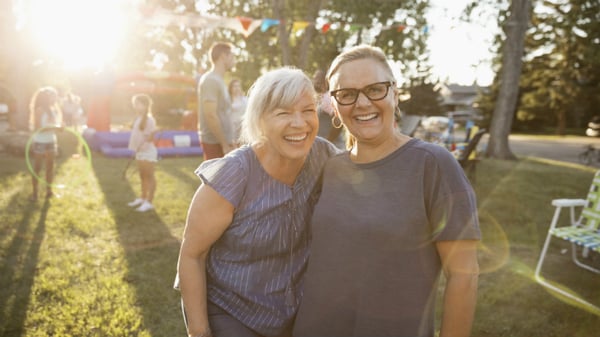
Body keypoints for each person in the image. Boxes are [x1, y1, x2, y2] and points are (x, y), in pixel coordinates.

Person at [293, 45, 481, 337]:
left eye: (375, 89)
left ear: (395, 93)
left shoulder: (433, 164)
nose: (363, 103)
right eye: (347, 94)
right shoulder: (328, 168)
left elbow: (463, 276)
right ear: (335, 106)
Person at [176, 67, 340, 337]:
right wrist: (199, 331)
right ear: (261, 120)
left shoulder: (324, 155)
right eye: (283, 112)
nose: (299, 123)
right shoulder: (233, 174)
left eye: (307, 110)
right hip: (231, 310)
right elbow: (193, 255)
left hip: (293, 313)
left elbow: (369, 173)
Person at [197, 42, 237, 160]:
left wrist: (230, 140)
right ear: (223, 56)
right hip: (214, 143)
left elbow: (224, 113)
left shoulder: (219, 80)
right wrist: (224, 144)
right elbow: (210, 115)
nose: (234, 60)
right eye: (232, 56)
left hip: (223, 143)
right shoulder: (210, 80)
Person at [29, 86, 63, 201]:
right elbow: (38, 128)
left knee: (50, 167)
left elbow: (55, 126)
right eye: (53, 96)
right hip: (40, 141)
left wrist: (60, 128)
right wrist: (55, 128)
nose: (55, 98)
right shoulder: (39, 110)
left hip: (51, 140)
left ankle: (49, 191)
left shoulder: (53, 109)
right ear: (46, 97)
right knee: (38, 167)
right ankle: (35, 194)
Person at [126, 93, 158, 212]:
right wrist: (135, 149)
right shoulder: (139, 118)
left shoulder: (150, 120)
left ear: (145, 105)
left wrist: (140, 148)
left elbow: (149, 138)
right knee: (142, 175)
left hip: (147, 151)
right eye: (135, 104)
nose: (135, 106)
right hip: (139, 151)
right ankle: (143, 198)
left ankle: (149, 202)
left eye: (138, 104)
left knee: (149, 176)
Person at [312, 69, 344, 148]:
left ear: (326, 81)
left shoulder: (328, 98)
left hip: (333, 148)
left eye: (318, 79)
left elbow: (338, 120)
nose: (315, 81)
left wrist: (328, 142)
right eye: (314, 78)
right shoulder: (321, 98)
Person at [227, 78, 247, 143]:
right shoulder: (228, 100)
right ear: (231, 88)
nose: (237, 88)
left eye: (238, 86)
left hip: (244, 128)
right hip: (232, 129)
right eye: (234, 86)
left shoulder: (245, 99)